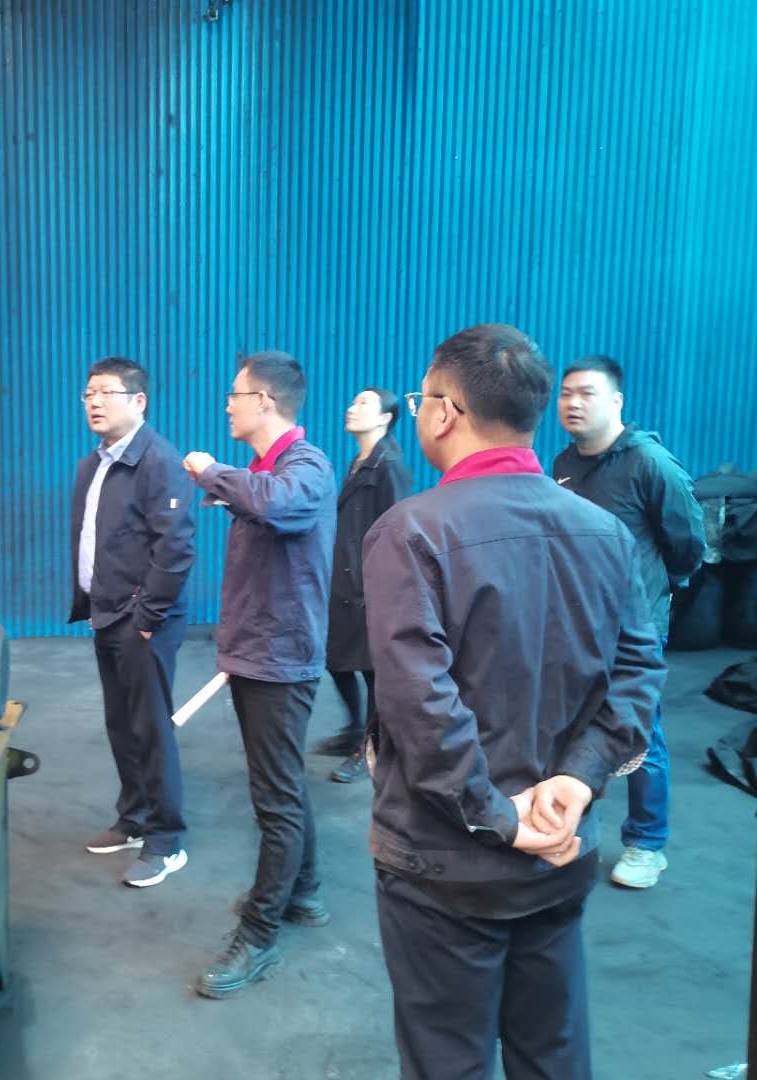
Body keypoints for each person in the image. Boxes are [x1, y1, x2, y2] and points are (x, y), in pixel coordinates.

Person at [363, 324, 665, 1079]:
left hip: (445, 864)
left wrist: (497, 816)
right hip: (562, 849)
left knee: (448, 1059)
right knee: (553, 1050)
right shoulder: (603, 532)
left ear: (445, 412)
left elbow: (419, 701)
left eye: (421, 400)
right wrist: (576, 781)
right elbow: (638, 669)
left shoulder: (411, 532)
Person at [182, 351, 336, 999]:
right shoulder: (267, 470)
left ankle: (260, 932)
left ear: (265, 402)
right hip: (257, 653)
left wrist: (211, 473)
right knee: (282, 785)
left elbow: (278, 505)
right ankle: (304, 891)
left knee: (275, 800)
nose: (227, 404)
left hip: (279, 660)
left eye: (235, 394)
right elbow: (263, 500)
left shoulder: (306, 466)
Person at [553, 355, 705, 889]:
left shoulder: (650, 463)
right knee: (574, 728)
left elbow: (688, 545)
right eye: (566, 393)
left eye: (587, 393)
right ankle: (571, 829)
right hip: (576, 624)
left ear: (616, 401)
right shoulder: (564, 463)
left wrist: (650, 593)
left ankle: (646, 844)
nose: (573, 403)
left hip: (634, 629)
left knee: (640, 735)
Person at [70, 357, 197, 888]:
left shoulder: (158, 461)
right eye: (88, 393)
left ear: (138, 401)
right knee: (121, 723)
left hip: (142, 619)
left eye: (106, 392)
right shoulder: (94, 464)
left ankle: (166, 840)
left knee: (151, 726)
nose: (94, 402)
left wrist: (147, 617)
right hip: (107, 613)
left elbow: (176, 547)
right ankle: (134, 817)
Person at [317, 387, 412, 783]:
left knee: (373, 672)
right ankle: (355, 729)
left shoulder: (389, 467)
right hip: (344, 584)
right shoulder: (360, 463)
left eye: (363, 404)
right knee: (335, 660)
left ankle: (370, 747)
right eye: (353, 401)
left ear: (386, 418)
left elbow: (399, 530)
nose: (351, 408)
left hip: (371, 588)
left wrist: (386, 586)